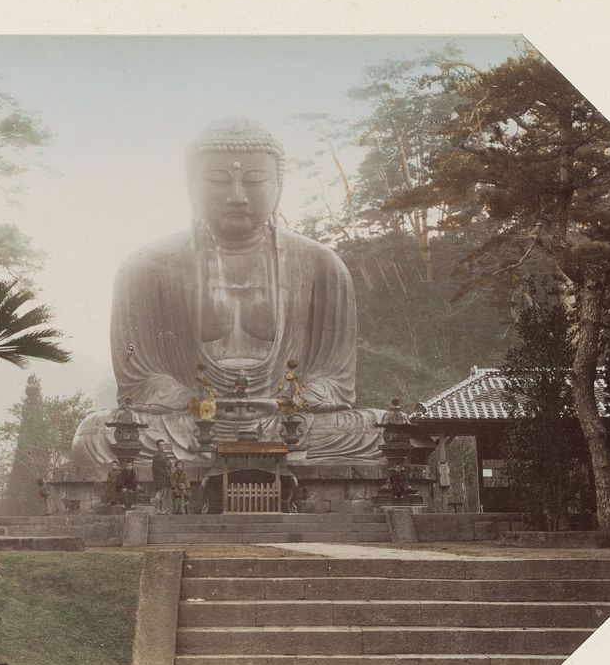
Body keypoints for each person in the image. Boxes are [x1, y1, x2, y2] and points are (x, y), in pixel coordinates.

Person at [70, 117, 386, 471]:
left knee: (378, 429)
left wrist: (290, 401)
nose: (238, 196)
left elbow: (336, 380)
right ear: (192, 186)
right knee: (95, 435)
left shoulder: (321, 264)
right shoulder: (145, 267)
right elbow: (137, 380)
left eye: (254, 180)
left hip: (288, 422)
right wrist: (196, 402)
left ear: (278, 185)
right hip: (188, 422)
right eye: (219, 180)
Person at [151, 439, 171, 514]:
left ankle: (162, 509)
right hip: (159, 477)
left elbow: (167, 465)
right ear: (157, 446)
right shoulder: (157, 455)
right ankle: (156, 509)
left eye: (163, 444)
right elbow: (155, 467)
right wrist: (163, 472)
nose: (162, 446)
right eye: (161, 445)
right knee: (159, 493)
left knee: (163, 494)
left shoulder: (164, 454)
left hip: (165, 477)